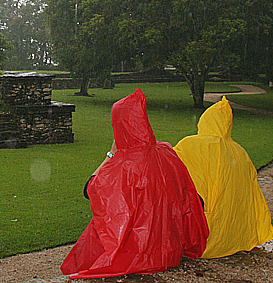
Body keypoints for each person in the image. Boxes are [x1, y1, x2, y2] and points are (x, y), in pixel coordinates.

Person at [61, 89, 209, 279]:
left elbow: (90, 190)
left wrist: (110, 154)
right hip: (167, 253)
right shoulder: (167, 152)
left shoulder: (124, 164)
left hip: (137, 256)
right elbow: (193, 200)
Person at [174, 96, 273, 258]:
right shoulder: (240, 153)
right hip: (236, 237)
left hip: (206, 237)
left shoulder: (191, 146)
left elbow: (173, 175)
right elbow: (253, 197)